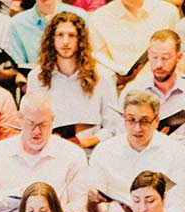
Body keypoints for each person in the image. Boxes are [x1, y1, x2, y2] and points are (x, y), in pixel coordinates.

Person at [0, 93, 89, 212]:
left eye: (43, 124)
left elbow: (83, 206)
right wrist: (21, 196)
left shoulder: (72, 154)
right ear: (20, 119)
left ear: (53, 121)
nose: (37, 131)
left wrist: (46, 210)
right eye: (31, 123)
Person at [86, 90, 185, 212]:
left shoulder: (176, 152)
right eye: (131, 120)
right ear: (124, 119)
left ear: (156, 121)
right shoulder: (104, 151)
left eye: (144, 121)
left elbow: (179, 210)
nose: (137, 128)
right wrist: (92, 204)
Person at [26, 12, 119, 150]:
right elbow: (31, 122)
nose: (65, 41)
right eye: (60, 35)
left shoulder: (103, 76)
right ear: (51, 39)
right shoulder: (36, 77)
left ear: (80, 40)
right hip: (50, 152)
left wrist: (87, 141)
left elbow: (114, 126)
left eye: (71, 35)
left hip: (91, 153)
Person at [119, 30, 185, 154]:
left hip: (177, 162)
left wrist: (167, 141)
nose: (159, 64)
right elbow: (119, 135)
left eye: (165, 58)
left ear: (179, 57)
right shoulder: (132, 91)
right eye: (154, 57)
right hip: (137, 161)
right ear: (148, 55)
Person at [87, 0, 180, 71]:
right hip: (121, 91)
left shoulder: (168, 12)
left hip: (164, 89)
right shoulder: (98, 18)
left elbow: (179, 58)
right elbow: (100, 64)